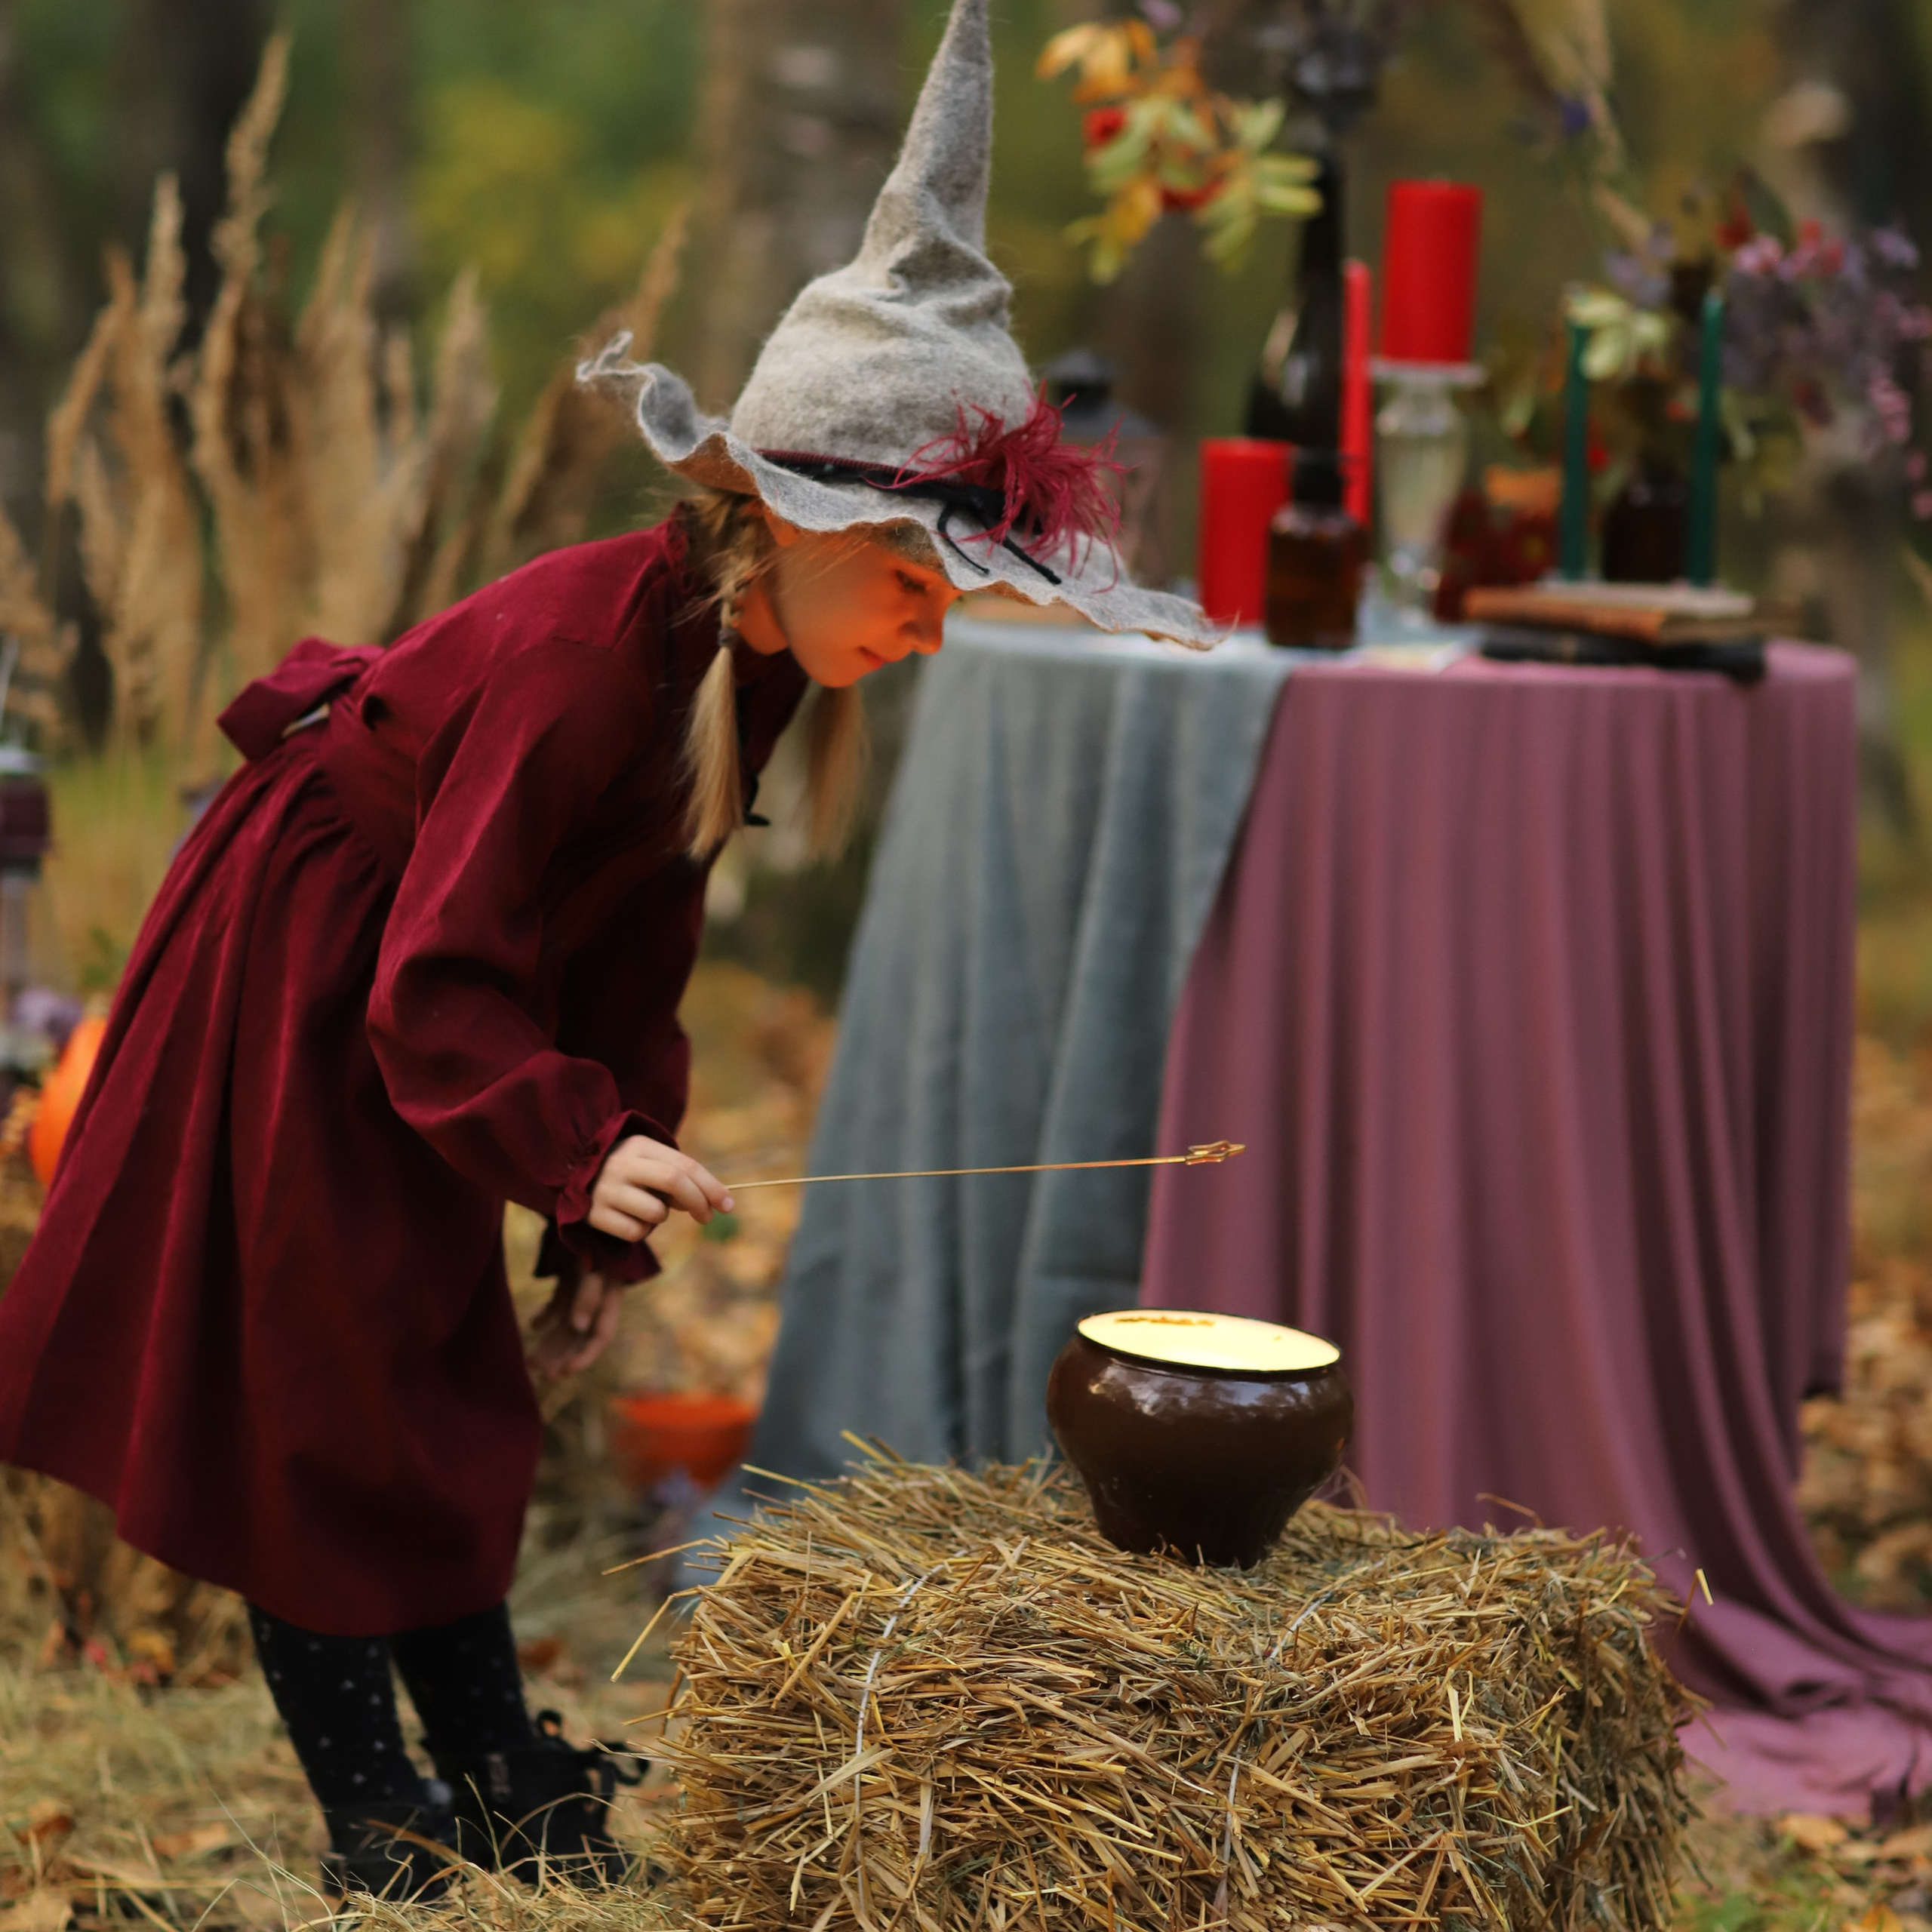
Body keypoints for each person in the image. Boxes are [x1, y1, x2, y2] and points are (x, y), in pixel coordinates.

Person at [0, 0, 1213, 1903]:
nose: (926, 625)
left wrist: (593, 1221)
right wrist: (563, 1142)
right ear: (777, 518)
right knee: (334, 1382)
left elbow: (629, 956)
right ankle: (371, 1810)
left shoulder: (746, 667)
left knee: (453, 1378)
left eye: (952, 593)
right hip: (329, 962)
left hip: (445, 985)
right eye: (909, 577)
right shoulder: (585, 673)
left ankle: (490, 1759)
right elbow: (440, 975)